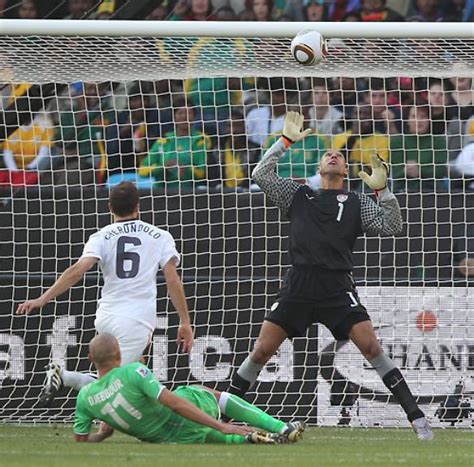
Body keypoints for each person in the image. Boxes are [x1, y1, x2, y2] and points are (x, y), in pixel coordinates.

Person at [228, 112, 434, 441]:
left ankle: (418, 420)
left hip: (337, 286)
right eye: (327, 153)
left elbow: (392, 226)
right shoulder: (297, 194)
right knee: (261, 352)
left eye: (338, 155)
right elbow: (260, 174)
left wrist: (383, 191)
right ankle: (221, 414)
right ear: (320, 167)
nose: (333, 155)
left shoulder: (356, 201)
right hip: (299, 284)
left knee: (371, 347)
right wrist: (284, 142)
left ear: (345, 169)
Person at [17, 181, 193, 405]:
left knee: (135, 370)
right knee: (115, 386)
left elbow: (78, 270)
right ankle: (64, 377)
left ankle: (136, 428)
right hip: (136, 320)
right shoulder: (160, 236)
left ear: (109, 207)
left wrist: (42, 298)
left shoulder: (101, 236)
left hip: (106, 317)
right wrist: (185, 321)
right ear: (138, 206)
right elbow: (172, 279)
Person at [74, 333, 305, 444]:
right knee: (202, 392)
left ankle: (251, 438)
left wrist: (103, 434)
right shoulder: (133, 371)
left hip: (160, 437)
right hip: (175, 415)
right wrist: (221, 424)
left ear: (90, 358)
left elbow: (81, 442)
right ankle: (281, 427)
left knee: (199, 435)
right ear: (119, 354)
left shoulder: (85, 397)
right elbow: (173, 403)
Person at [138, 103, 212, 190]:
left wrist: (185, 169)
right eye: (180, 113)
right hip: (161, 193)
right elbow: (142, 171)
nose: (185, 116)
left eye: (189, 113)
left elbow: (201, 172)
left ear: (194, 117)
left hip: (190, 193)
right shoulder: (164, 140)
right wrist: (162, 168)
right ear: (174, 117)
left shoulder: (201, 140)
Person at [390, 105, 448, 193]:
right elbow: (395, 172)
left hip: (432, 191)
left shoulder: (438, 141)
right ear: (407, 120)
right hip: (401, 190)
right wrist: (406, 171)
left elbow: (440, 170)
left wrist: (419, 171)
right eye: (414, 116)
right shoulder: (397, 141)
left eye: (423, 116)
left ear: (429, 120)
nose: (418, 120)